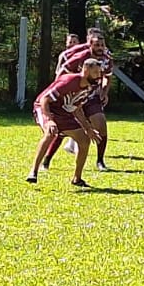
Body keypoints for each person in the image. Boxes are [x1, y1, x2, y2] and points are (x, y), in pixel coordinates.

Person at [28, 57, 106, 186]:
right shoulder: (69, 81)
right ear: (86, 70)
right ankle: (33, 172)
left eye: (99, 73)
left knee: (84, 140)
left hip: (63, 111)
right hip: (45, 108)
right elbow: (45, 100)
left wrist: (88, 128)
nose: (99, 76)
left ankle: (77, 179)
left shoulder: (90, 87)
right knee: (50, 133)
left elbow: (77, 108)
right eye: (95, 73)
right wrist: (49, 120)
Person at [55, 27, 114, 171]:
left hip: (92, 95)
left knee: (101, 124)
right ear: (90, 45)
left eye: (102, 45)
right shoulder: (80, 56)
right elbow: (63, 72)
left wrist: (104, 91)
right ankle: (46, 161)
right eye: (97, 45)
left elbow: (108, 76)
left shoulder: (107, 58)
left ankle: (100, 161)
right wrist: (62, 91)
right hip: (75, 95)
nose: (100, 48)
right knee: (62, 129)